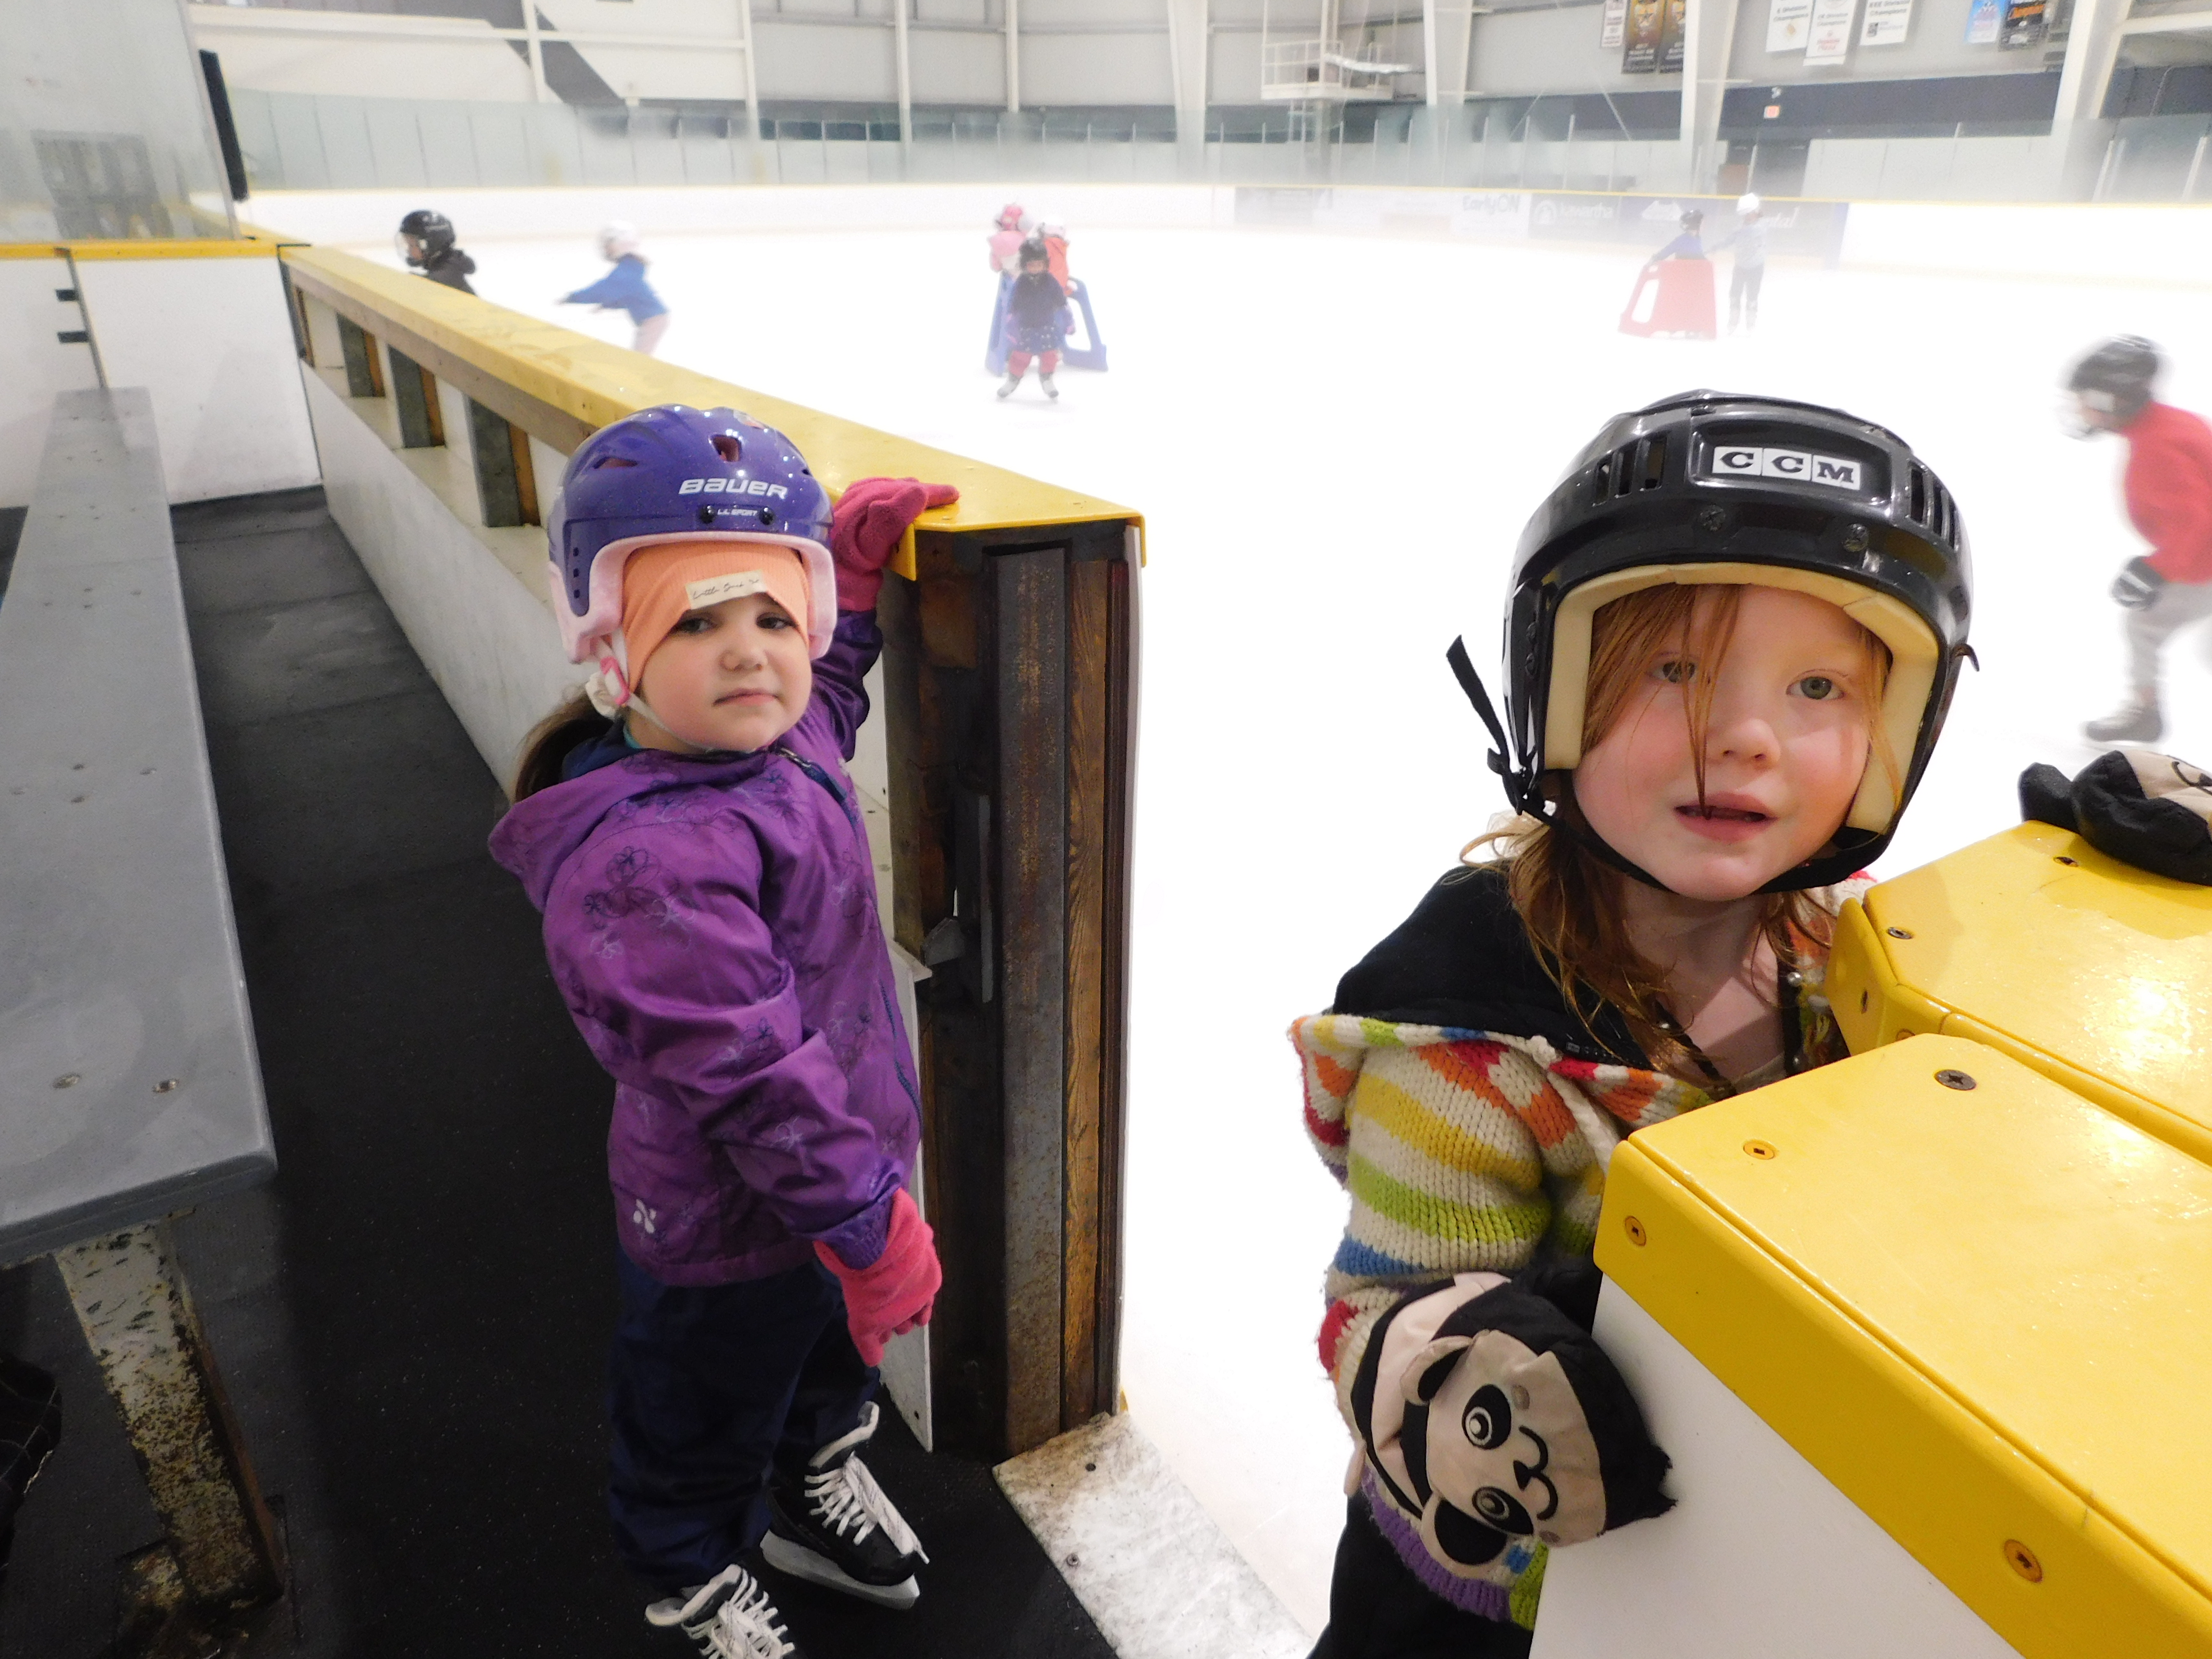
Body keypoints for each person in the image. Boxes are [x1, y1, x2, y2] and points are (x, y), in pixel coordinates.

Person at [1294, 391, 1974, 1657]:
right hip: (1486, 1607)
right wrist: (1443, 1376)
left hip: (1737, 1582)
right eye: (1676, 670)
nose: (1747, 735)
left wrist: (2099, 886)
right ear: (1558, 696)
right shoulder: (1469, 1053)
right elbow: (1377, 1311)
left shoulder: (1853, 952)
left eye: (1818, 684)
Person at [489, 406, 957, 1658]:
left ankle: (812, 1487)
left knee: (824, 1367)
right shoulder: (647, 861)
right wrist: (866, 1226)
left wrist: (848, 580)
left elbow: (833, 688)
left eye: (772, 616)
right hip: (721, 1225)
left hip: (832, 1183)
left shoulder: (766, 738)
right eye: (699, 621)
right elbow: (750, 1073)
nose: (752, 655)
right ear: (614, 648)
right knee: (699, 1407)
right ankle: (688, 1571)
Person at [2065, 336, 2212, 743]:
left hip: (2205, 564)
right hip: (2202, 558)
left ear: (2121, 400)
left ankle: (2145, 711)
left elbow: (2194, 522)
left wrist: (2157, 570)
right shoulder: (2170, 424)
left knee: (2144, 624)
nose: (2081, 408)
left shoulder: (2157, 449)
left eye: (2089, 398)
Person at [561, 221, 672, 356]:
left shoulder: (626, 271)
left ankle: (639, 374)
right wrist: (609, 304)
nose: (605, 248)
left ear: (621, 244)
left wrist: (573, 297)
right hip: (654, 318)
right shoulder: (631, 267)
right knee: (640, 354)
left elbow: (603, 289)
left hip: (654, 319)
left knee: (641, 357)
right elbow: (628, 295)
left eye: (608, 245)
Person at [997, 237, 1068, 402]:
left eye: (1039, 265)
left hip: (1047, 327)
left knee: (1050, 355)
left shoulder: (1050, 281)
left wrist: (1067, 318)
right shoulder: (1021, 283)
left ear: (1045, 264)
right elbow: (1014, 305)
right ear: (1025, 265)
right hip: (1026, 327)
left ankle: (1047, 379)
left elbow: (1061, 301)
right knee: (1020, 357)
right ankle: (1013, 380)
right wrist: (1012, 322)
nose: (1036, 268)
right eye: (1032, 265)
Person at [1716, 192, 1767, 334]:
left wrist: (1738, 233)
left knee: (1752, 296)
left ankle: (1751, 324)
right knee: (1734, 294)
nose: (1747, 217)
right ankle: (1733, 321)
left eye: (1749, 213)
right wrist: (1715, 247)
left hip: (1756, 267)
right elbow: (1728, 240)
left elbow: (1751, 232)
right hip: (1740, 266)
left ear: (1756, 212)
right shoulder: (1740, 228)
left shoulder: (1762, 226)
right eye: (1744, 215)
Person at [396, 209, 476, 295]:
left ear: (430, 246)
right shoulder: (451, 265)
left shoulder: (442, 279)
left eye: (412, 245)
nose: (408, 250)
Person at [987, 203, 1030, 275]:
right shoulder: (1025, 240)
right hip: (1023, 276)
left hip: (1006, 275)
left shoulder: (996, 240)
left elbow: (996, 266)